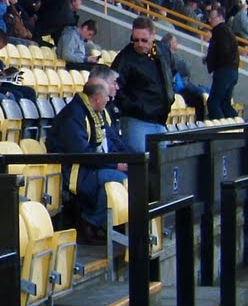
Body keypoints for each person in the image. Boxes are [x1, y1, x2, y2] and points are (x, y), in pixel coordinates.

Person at [46, 75, 131, 226]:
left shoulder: (97, 112)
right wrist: (114, 165)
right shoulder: (74, 115)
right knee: (119, 178)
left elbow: (113, 140)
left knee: (135, 173)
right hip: (76, 171)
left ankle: (111, 226)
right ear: (97, 98)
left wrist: (129, 158)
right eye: (106, 97)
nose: (109, 100)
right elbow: (82, 153)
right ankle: (91, 222)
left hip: (93, 166)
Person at [110, 16, 173, 152]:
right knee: (140, 165)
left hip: (160, 120)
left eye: (144, 40)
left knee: (160, 167)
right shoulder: (125, 58)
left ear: (153, 36)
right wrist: (136, 106)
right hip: (136, 121)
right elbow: (114, 88)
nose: (139, 44)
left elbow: (171, 73)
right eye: (135, 40)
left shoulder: (163, 50)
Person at [203, 4, 240, 119]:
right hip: (233, 71)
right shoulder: (228, 31)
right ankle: (240, 126)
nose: (209, 20)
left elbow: (223, 50)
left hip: (223, 71)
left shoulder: (220, 31)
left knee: (213, 102)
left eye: (212, 18)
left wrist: (211, 58)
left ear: (220, 18)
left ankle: (221, 131)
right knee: (225, 104)